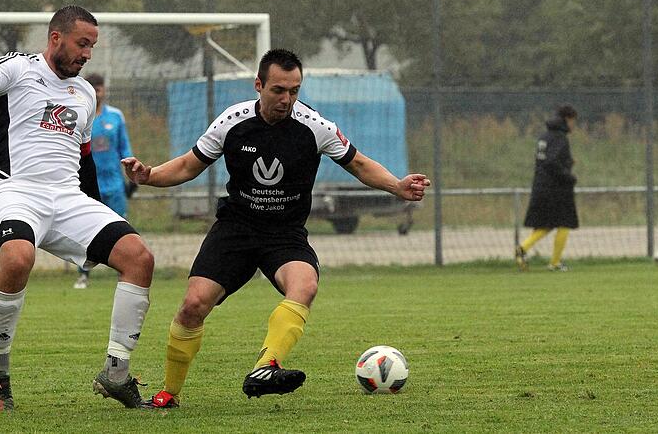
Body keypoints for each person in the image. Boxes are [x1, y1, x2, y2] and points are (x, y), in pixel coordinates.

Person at [121, 49, 431, 408]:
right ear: (259, 85)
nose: (286, 99)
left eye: (294, 91)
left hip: (285, 233)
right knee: (192, 305)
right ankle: (169, 394)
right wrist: (150, 176)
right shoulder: (232, 121)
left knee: (305, 285)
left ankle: (266, 366)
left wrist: (396, 186)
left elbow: (359, 164)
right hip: (236, 228)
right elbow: (189, 165)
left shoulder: (315, 127)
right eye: (278, 90)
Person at [0, 6, 155, 411]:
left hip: (68, 198)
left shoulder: (85, 94)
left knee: (139, 257)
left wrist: (101, 214)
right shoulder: (19, 67)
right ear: (55, 38)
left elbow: (85, 159)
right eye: (82, 44)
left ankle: (117, 373)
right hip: (14, 190)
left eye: (92, 46)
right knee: (17, 259)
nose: (87, 54)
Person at [73, 73, 135, 290]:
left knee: (121, 228)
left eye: (100, 86)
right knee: (86, 229)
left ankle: (126, 272)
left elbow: (124, 146)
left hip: (115, 184)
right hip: (89, 184)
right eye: (93, 87)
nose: (97, 91)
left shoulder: (116, 116)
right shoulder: (79, 115)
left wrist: (131, 176)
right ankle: (83, 274)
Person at [516, 104, 579, 272]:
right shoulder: (560, 138)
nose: (574, 125)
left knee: (547, 224)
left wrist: (568, 161)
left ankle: (522, 249)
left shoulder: (544, 137)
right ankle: (555, 263)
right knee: (564, 223)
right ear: (567, 119)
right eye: (573, 121)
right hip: (557, 188)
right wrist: (569, 176)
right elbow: (552, 162)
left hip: (541, 185)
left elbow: (545, 160)